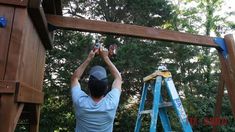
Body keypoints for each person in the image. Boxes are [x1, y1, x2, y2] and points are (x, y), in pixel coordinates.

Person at [70, 47, 122, 132]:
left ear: (88, 87)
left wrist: (89, 58)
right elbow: (118, 78)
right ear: (106, 88)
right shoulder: (111, 103)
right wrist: (106, 57)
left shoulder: (80, 102)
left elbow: (74, 78)